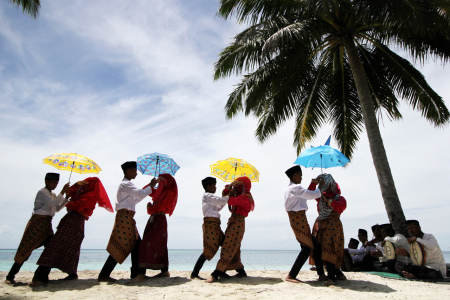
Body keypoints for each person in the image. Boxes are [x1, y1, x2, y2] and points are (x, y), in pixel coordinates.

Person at [29, 177, 113, 286]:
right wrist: (75, 186)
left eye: (88, 183)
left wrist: (70, 202)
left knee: (55, 247)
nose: (85, 184)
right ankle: (71, 273)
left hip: (74, 222)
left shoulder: (91, 195)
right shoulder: (83, 193)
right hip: (74, 222)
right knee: (70, 248)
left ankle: (40, 277)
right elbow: (70, 193)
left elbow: (77, 206)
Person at [97, 161, 158, 282]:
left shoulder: (126, 185)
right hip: (125, 218)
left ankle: (133, 273)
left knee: (128, 244)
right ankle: (135, 274)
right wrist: (150, 186)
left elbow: (135, 200)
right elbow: (140, 194)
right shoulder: (126, 184)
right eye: (135, 171)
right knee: (134, 244)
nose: (136, 173)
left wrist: (148, 189)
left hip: (126, 217)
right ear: (128, 171)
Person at [5, 173, 70, 284]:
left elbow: (57, 208)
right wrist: (63, 192)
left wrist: (66, 198)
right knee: (26, 250)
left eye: (57, 183)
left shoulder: (53, 195)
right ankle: (10, 276)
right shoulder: (42, 192)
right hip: (37, 223)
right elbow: (53, 203)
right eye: (53, 182)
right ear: (46, 181)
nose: (55, 185)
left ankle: (42, 276)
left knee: (51, 249)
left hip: (47, 225)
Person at [206, 176, 254, 283]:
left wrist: (231, 191)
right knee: (234, 246)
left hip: (238, 222)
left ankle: (217, 272)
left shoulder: (246, 197)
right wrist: (231, 185)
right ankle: (240, 271)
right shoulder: (241, 195)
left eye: (239, 185)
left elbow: (230, 201)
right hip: (234, 221)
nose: (237, 187)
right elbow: (225, 195)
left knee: (229, 245)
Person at [132, 173, 178, 282]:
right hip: (153, 220)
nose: (161, 180)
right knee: (160, 245)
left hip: (160, 220)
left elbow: (161, 207)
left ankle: (141, 274)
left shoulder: (169, 192)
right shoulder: (159, 191)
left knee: (145, 244)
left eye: (162, 179)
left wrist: (149, 209)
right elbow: (144, 191)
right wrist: (154, 183)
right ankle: (164, 271)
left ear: (167, 181)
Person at [282, 165, 322, 283]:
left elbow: (305, 195)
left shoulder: (290, 189)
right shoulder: (296, 188)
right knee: (310, 247)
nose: (301, 177)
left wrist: (313, 184)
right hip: (299, 219)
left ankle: (320, 274)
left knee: (311, 247)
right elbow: (312, 195)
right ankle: (292, 275)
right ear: (295, 175)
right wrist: (322, 185)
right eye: (300, 175)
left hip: (297, 219)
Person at [310, 174, 347, 286]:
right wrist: (314, 182)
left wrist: (329, 202)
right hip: (320, 224)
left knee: (330, 248)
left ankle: (331, 277)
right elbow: (309, 193)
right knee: (317, 249)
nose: (329, 186)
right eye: (327, 184)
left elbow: (342, 206)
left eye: (331, 184)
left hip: (333, 227)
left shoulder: (340, 198)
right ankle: (321, 274)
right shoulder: (320, 196)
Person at [190, 177, 229, 279]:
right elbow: (219, 201)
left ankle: (221, 270)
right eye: (214, 185)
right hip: (210, 225)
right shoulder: (207, 196)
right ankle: (194, 273)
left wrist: (225, 198)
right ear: (208, 186)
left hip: (215, 225)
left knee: (225, 244)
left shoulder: (210, 197)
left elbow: (219, 206)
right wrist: (229, 195)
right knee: (208, 249)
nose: (215, 187)